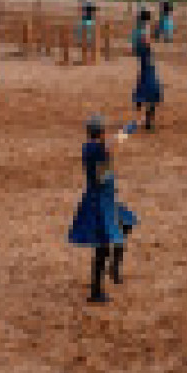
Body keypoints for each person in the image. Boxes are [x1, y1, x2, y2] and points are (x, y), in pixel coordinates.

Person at [68, 115, 140, 303]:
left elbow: (108, 152)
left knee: (125, 224)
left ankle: (113, 268)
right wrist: (127, 130)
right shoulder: (98, 149)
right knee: (103, 246)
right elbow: (111, 146)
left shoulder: (89, 147)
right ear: (100, 132)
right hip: (99, 202)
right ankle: (96, 291)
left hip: (103, 198)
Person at [133, 30, 162, 131]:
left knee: (143, 98)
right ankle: (146, 120)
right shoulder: (145, 52)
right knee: (149, 98)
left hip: (147, 75)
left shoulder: (145, 52)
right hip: (149, 75)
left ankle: (144, 119)